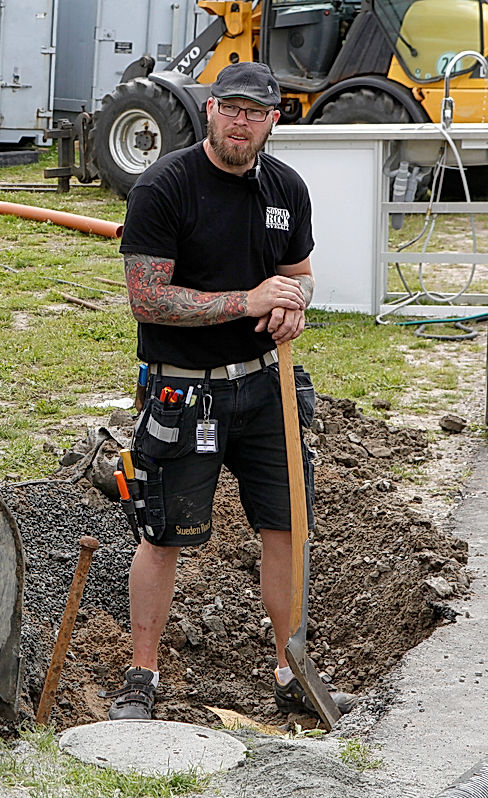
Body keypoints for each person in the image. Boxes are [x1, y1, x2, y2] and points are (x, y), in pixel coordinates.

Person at [104, 61, 355, 721]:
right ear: (210, 109)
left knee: (286, 527)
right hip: (184, 394)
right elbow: (147, 299)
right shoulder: (164, 187)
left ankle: (290, 668)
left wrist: (294, 305)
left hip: (266, 390)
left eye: (256, 112)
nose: (242, 123)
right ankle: (141, 677)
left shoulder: (286, 189)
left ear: (274, 119)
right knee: (162, 533)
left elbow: (297, 275)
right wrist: (248, 300)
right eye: (232, 109)